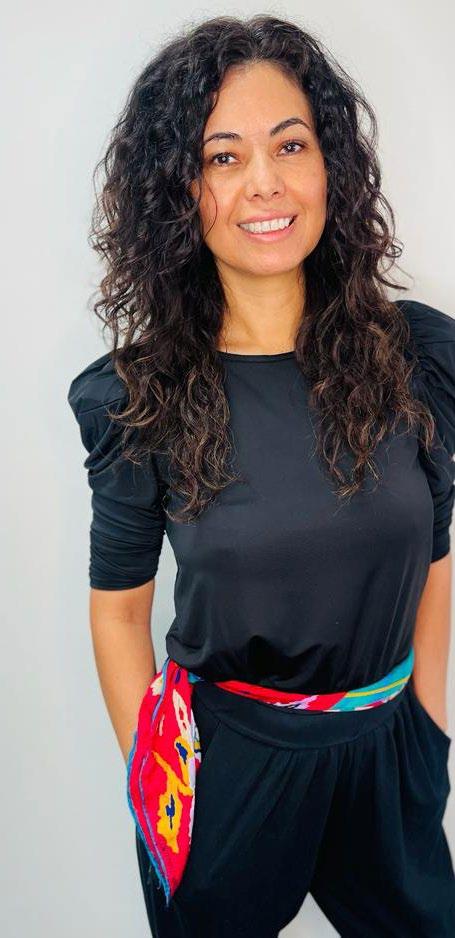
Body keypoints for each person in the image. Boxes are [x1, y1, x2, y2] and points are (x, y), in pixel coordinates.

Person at [67, 13, 455, 937]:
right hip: (225, 769)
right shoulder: (138, 397)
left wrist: (425, 729)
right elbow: (118, 612)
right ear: (180, 191)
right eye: (223, 157)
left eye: (289, 145)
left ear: (329, 166)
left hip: (387, 750)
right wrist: (163, 784)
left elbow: (435, 554)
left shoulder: (418, 357)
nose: (264, 183)